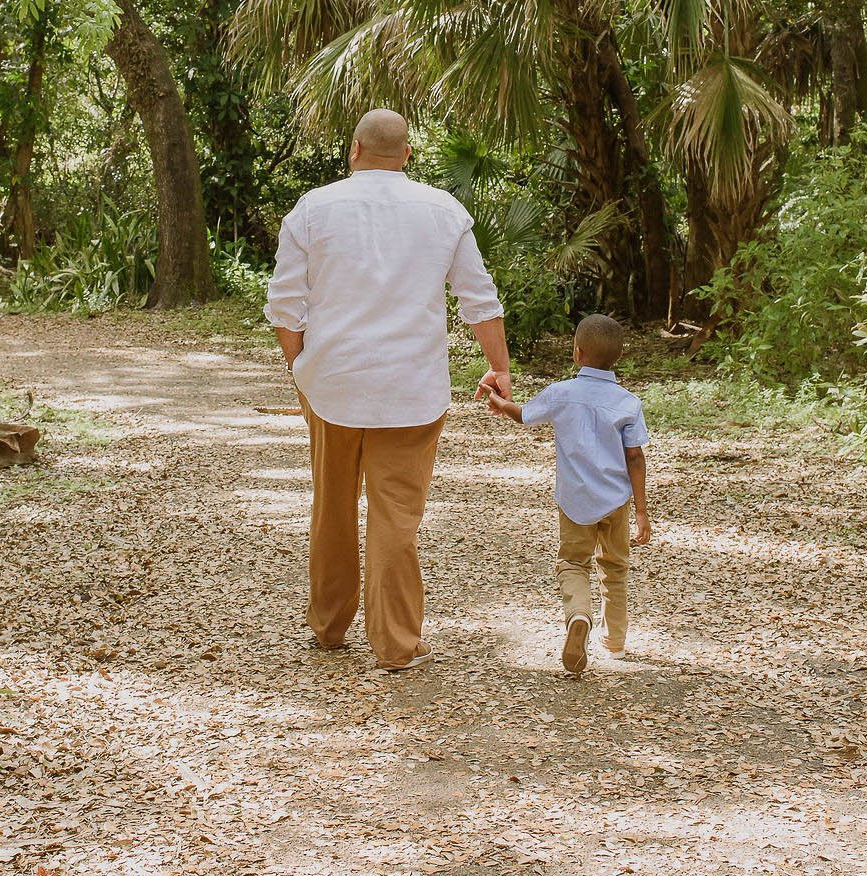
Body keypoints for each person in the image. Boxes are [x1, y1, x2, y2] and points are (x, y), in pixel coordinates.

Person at [264, 108, 510, 672]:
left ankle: (328, 627)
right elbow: (480, 298)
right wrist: (499, 367)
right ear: (406, 156)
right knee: (395, 515)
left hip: (332, 383)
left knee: (331, 504)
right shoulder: (443, 210)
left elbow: (285, 303)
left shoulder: (313, 208)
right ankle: (397, 646)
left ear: (354, 150)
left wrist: (301, 366)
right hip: (412, 388)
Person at [482, 314, 651, 674]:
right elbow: (635, 457)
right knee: (615, 567)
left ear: (577, 353)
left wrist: (500, 403)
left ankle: (579, 615)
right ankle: (615, 642)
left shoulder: (561, 394)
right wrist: (641, 512)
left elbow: (524, 414)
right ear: (617, 358)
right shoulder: (628, 403)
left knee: (573, 563)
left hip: (575, 501)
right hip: (616, 501)